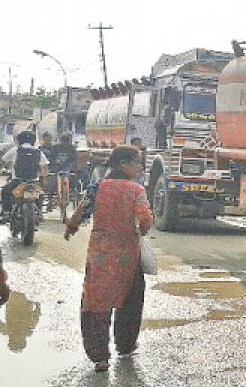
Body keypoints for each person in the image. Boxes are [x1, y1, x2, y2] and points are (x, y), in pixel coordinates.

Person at [65, 145, 154, 372]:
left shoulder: (98, 186)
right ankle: (125, 345)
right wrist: (140, 231)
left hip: (100, 253)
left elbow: (81, 211)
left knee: (96, 301)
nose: (140, 166)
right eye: (137, 162)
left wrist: (71, 229)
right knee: (130, 300)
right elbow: (145, 219)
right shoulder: (136, 189)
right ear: (123, 164)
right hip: (127, 254)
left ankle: (100, 357)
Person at [1, 130, 49, 222]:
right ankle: (38, 212)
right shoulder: (38, 152)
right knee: (40, 194)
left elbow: (3, 162)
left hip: (18, 181)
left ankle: (6, 213)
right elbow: (45, 166)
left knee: (5, 191)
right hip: (34, 182)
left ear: (19, 140)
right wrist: (44, 176)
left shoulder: (15, 150)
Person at [47, 133, 78, 210]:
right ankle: (50, 200)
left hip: (66, 169)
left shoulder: (71, 148)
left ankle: (51, 199)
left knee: (72, 181)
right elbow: (52, 159)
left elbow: (74, 160)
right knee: (53, 183)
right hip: (59, 169)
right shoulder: (57, 148)